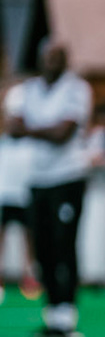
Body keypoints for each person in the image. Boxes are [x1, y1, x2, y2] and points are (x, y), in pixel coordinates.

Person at [5, 39, 93, 337]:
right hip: (37, 178)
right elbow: (13, 127)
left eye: (56, 58)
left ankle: (66, 316)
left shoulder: (76, 89)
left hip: (67, 177)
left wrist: (31, 129)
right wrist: (41, 129)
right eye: (47, 57)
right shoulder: (29, 90)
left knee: (63, 244)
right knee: (42, 248)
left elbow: (62, 133)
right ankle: (52, 314)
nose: (50, 63)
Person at [0, 76, 37, 304]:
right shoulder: (3, 143)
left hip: (25, 197)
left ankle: (29, 276)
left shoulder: (31, 144)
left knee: (29, 239)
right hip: (4, 196)